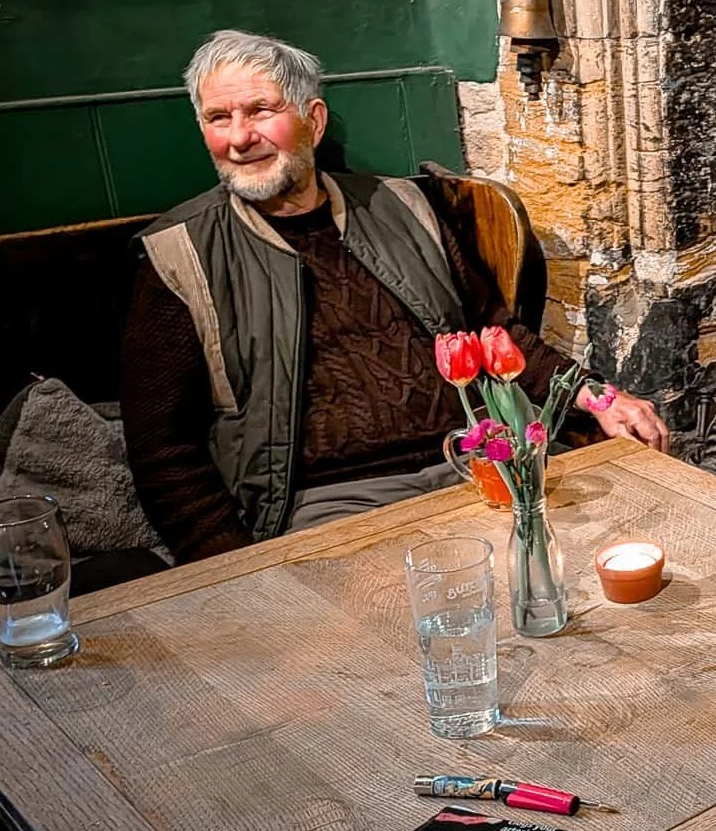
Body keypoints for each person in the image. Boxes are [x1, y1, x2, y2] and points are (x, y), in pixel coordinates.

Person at [122, 30, 667, 565]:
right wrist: (237, 571)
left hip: (477, 462)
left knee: (639, 555)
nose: (239, 138)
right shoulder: (181, 254)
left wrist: (598, 398)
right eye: (219, 119)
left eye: (260, 111)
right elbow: (163, 454)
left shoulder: (404, 207)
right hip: (332, 506)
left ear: (312, 120)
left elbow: (495, 333)